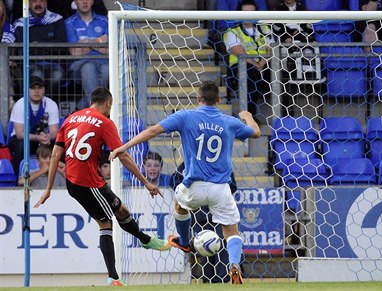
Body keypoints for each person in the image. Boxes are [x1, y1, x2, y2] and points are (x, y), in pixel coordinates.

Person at [108, 80, 261, 284]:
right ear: (218, 100)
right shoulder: (228, 122)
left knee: (180, 206)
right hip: (221, 188)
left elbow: (152, 131)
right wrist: (248, 117)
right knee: (231, 230)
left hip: (194, 185)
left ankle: (184, 241)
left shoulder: (186, 116)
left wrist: (124, 147)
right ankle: (234, 264)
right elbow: (256, 133)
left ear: (198, 98)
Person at [33, 87, 171, 287]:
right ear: (108, 103)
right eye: (110, 107)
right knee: (106, 223)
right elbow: (122, 154)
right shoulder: (105, 123)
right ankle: (115, 277)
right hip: (88, 183)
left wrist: (48, 188)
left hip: (75, 181)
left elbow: (55, 154)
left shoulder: (71, 118)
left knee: (121, 210)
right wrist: (146, 182)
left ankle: (143, 241)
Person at [223, 0, 273, 119]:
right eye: (245, 12)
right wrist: (257, 66)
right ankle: (250, 116)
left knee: (283, 74)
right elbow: (240, 54)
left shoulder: (265, 28)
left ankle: (287, 117)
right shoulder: (233, 32)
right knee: (252, 74)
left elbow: (271, 49)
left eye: (252, 12)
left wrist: (261, 64)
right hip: (241, 67)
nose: (249, 15)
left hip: (264, 64)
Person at [8, 76, 59, 177]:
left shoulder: (51, 104)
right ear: (27, 90)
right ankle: (19, 177)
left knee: (59, 145)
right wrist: (37, 137)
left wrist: (48, 137)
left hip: (42, 138)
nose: (37, 91)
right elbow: (19, 134)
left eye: (39, 88)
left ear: (44, 90)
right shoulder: (20, 105)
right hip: (22, 139)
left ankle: (58, 176)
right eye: (33, 88)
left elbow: (54, 132)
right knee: (21, 145)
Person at [13, 0, 67, 91]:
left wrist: (37, 45)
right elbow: (22, 51)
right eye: (34, 1)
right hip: (31, 64)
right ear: (29, 4)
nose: (38, 4)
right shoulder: (20, 23)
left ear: (46, 3)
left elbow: (61, 47)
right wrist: (48, 45)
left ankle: (47, 100)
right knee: (38, 74)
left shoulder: (57, 19)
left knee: (57, 75)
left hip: (54, 63)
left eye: (41, 1)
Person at [65, 0, 109, 110]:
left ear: (93, 1)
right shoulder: (69, 22)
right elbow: (75, 52)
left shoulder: (105, 20)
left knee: (106, 70)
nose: (84, 2)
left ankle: (82, 107)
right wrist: (99, 41)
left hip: (103, 62)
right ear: (75, 1)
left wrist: (86, 43)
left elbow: (109, 50)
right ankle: (98, 111)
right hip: (79, 65)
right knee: (89, 67)